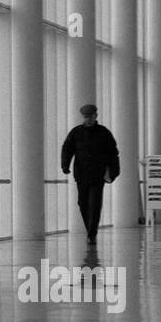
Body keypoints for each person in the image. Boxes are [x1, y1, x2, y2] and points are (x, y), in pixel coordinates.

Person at [61, 104, 120, 244]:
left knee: (94, 204)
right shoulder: (76, 133)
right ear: (83, 117)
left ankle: (92, 233)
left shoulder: (104, 133)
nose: (88, 119)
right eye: (86, 116)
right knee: (82, 203)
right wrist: (65, 165)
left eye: (90, 116)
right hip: (81, 174)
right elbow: (67, 149)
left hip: (97, 175)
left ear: (96, 116)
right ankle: (90, 229)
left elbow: (113, 154)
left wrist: (113, 172)